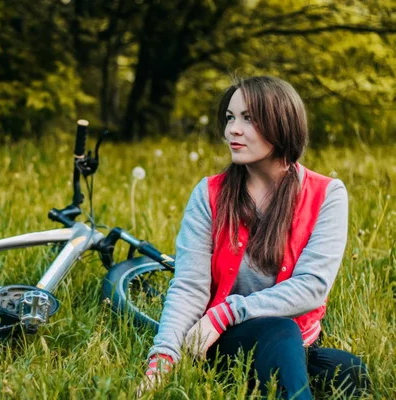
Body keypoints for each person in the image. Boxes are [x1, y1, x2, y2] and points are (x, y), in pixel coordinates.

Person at [138, 76, 370, 399]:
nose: (232, 129)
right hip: (222, 339)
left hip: (295, 338)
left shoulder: (328, 194)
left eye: (248, 118)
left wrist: (229, 309)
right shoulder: (209, 194)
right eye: (231, 118)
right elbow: (189, 288)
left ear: (281, 123)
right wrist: (162, 358)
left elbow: (312, 286)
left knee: (351, 373)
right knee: (281, 329)